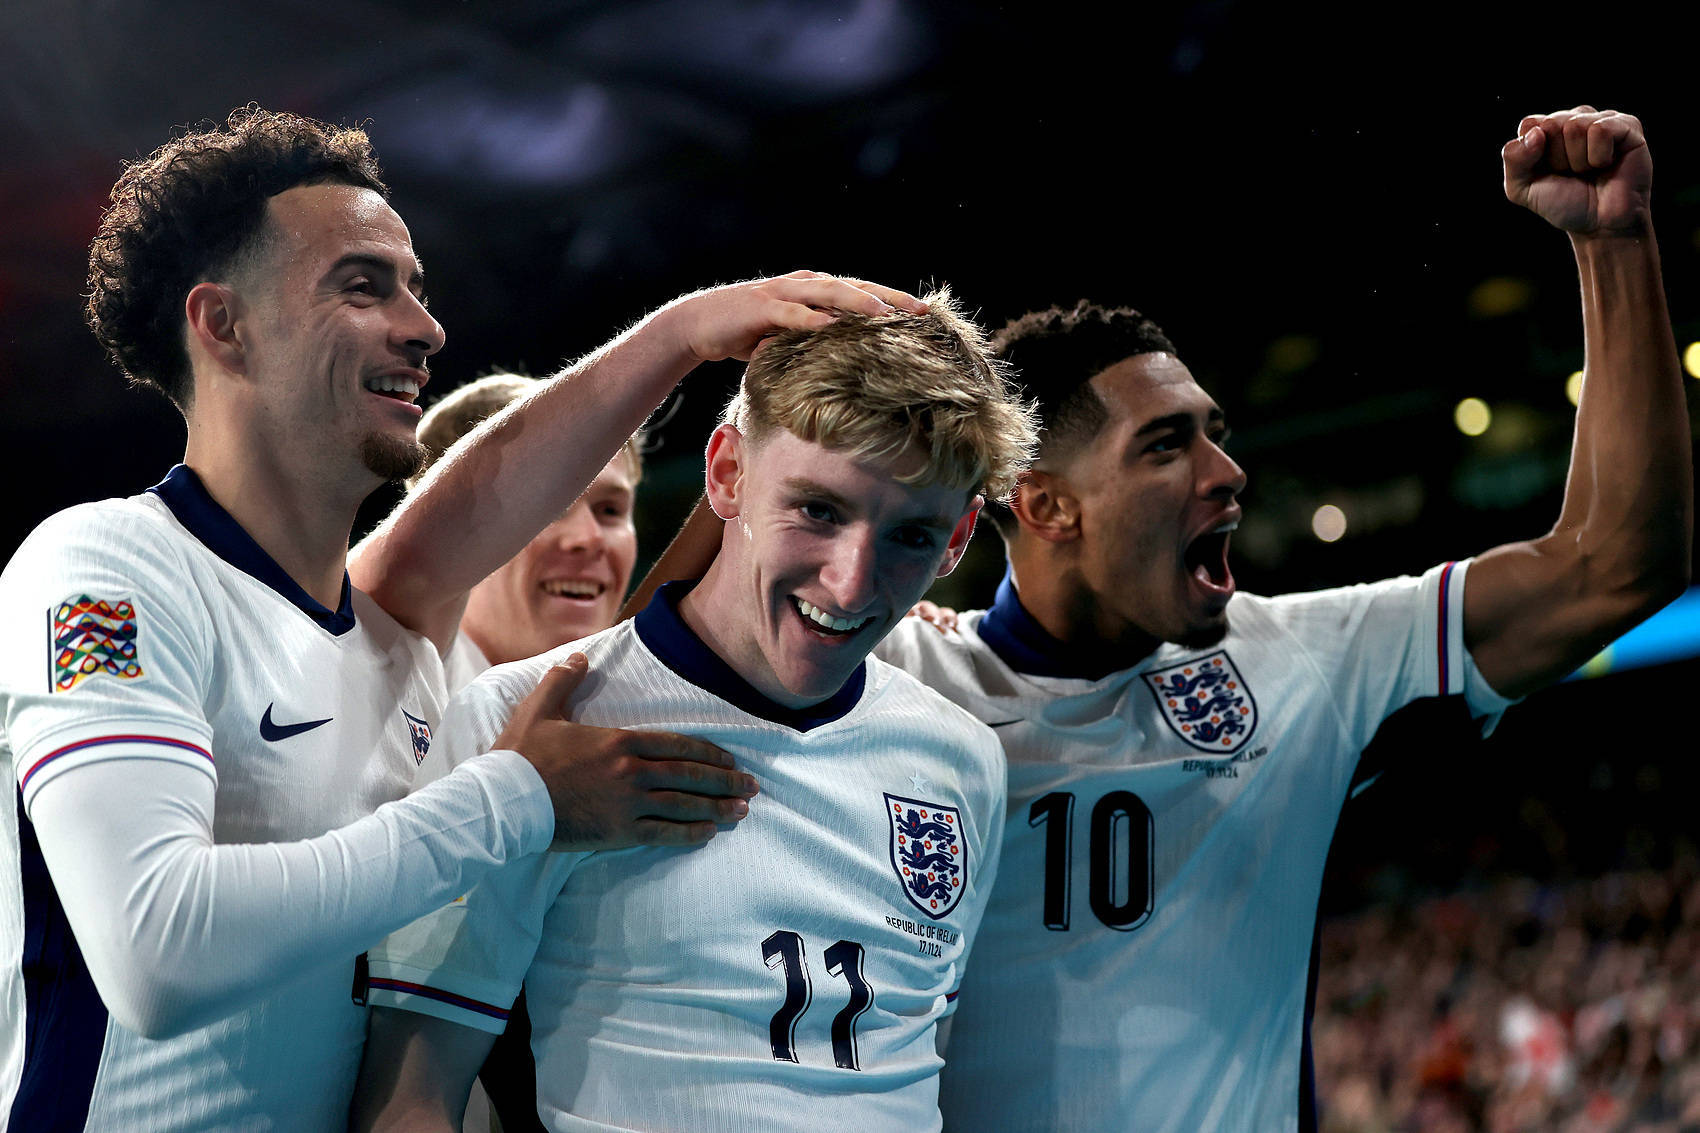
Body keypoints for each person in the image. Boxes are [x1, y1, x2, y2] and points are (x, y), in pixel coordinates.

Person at [635, 106, 1692, 1130]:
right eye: (1164, 446)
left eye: (1212, 432)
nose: (1226, 473)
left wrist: (1614, 247)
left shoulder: (1303, 661)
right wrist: (752, 393)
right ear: (1045, 506)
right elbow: (654, 670)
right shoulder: (885, 678)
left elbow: (1613, 564)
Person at [0, 104, 913, 1131]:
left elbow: (470, 508)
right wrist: (519, 796)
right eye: (362, 285)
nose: (425, 327)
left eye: (417, 289)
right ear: (223, 323)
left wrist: (683, 335)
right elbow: (156, 954)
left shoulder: (389, 628)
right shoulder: (105, 566)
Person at [349, 292, 1040, 1132]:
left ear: (959, 539)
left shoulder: (962, 756)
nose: (851, 583)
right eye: (817, 510)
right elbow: (410, 1097)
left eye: (912, 536)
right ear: (727, 473)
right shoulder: (530, 727)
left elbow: (921, 1060)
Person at [410, 372, 648, 1133]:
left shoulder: (651, 713)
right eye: (549, 504)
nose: (587, 539)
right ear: (442, 523)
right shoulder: (385, 711)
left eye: (611, 508)